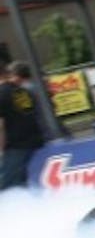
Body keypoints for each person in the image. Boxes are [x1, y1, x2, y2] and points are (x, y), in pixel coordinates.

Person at [0, 61, 46, 190]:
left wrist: (1, 150)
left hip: (15, 146)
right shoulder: (22, 91)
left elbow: (1, 126)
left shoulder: (1, 94)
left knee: (7, 187)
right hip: (34, 141)